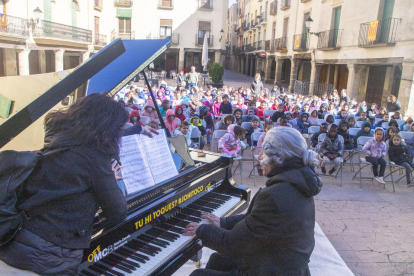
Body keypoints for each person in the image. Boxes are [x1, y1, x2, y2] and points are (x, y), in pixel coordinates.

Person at [0, 94, 159, 275]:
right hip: (51, 253)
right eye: (118, 129)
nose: (118, 134)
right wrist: (111, 179)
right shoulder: (94, 158)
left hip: (19, 237)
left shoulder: (59, 138)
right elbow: (118, 212)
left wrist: (138, 129)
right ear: (107, 127)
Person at [184, 127, 322, 276]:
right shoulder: (299, 181)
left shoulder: (275, 196)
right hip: (285, 263)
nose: (259, 156)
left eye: (263, 152)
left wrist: (202, 230)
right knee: (218, 259)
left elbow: (233, 245)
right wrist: (223, 223)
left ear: (278, 157)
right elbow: (259, 220)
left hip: (274, 270)